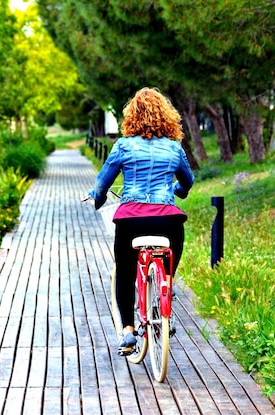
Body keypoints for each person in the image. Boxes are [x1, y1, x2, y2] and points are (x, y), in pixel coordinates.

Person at [88, 87, 195, 355]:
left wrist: (97, 199)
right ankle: (165, 288)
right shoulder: (174, 148)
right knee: (169, 263)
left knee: (124, 270)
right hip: (167, 223)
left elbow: (103, 184)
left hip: (131, 220)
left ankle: (127, 330)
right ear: (167, 116)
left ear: (131, 116)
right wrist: (177, 192)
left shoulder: (123, 146)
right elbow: (187, 182)